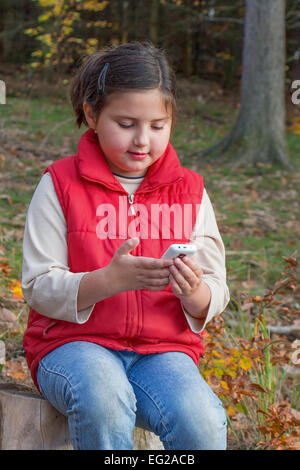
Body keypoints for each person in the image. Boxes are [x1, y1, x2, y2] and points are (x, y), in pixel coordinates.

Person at [22, 42, 230, 450]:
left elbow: (216, 287)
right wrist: (106, 281)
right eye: (126, 123)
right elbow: (38, 285)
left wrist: (196, 293)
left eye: (157, 125)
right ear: (91, 114)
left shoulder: (189, 191)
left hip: (162, 352)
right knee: (103, 398)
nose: (142, 140)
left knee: (202, 421)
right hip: (72, 348)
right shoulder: (60, 185)